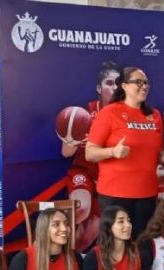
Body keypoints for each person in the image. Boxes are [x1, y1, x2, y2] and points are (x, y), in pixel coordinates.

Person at [84, 67, 164, 234]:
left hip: (147, 194)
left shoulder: (154, 115)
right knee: (115, 247)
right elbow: (90, 153)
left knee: (141, 245)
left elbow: (157, 156)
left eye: (146, 83)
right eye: (138, 82)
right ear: (124, 86)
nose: (144, 86)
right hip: (115, 194)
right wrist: (112, 152)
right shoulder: (109, 112)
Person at [58, 61, 120, 251]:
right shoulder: (83, 115)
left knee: (86, 237)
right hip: (84, 173)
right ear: (99, 88)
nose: (115, 87)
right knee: (81, 207)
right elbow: (65, 153)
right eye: (109, 83)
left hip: (109, 181)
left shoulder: (127, 117)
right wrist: (71, 136)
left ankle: (69, 264)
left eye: (118, 83)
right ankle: (46, 246)